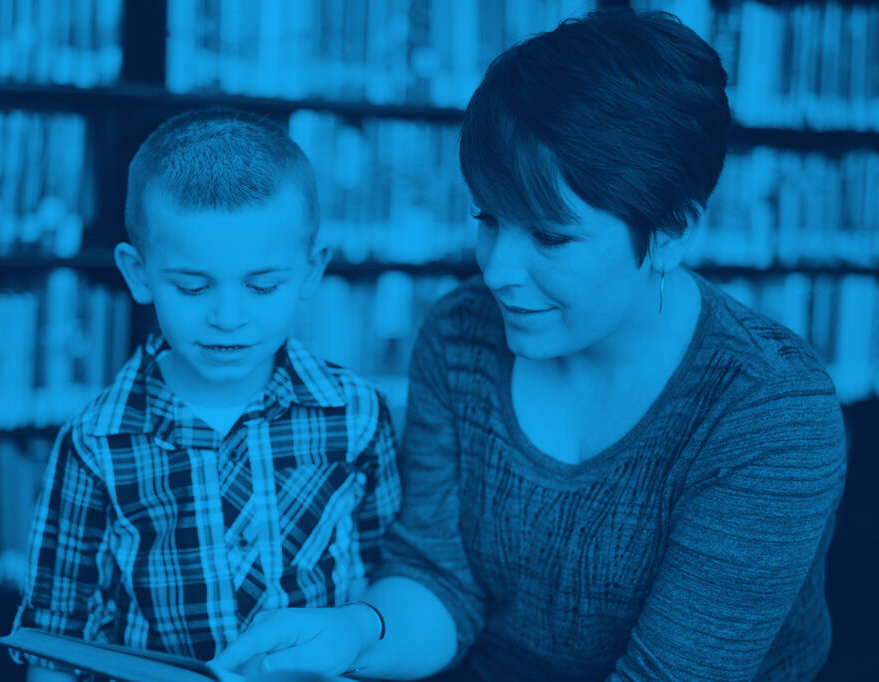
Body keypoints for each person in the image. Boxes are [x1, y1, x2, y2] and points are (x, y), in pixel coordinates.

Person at [212, 9, 847, 682]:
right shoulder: (461, 335)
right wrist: (353, 631)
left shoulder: (770, 414)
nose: (496, 270)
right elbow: (440, 579)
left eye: (549, 236)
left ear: (669, 232)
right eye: (488, 218)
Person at [9, 109, 401, 681]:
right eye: (192, 286)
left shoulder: (359, 414)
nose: (227, 318)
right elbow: (55, 640)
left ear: (311, 271)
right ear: (138, 274)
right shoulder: (95, 445)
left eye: (262, 285)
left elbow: (391, 580)